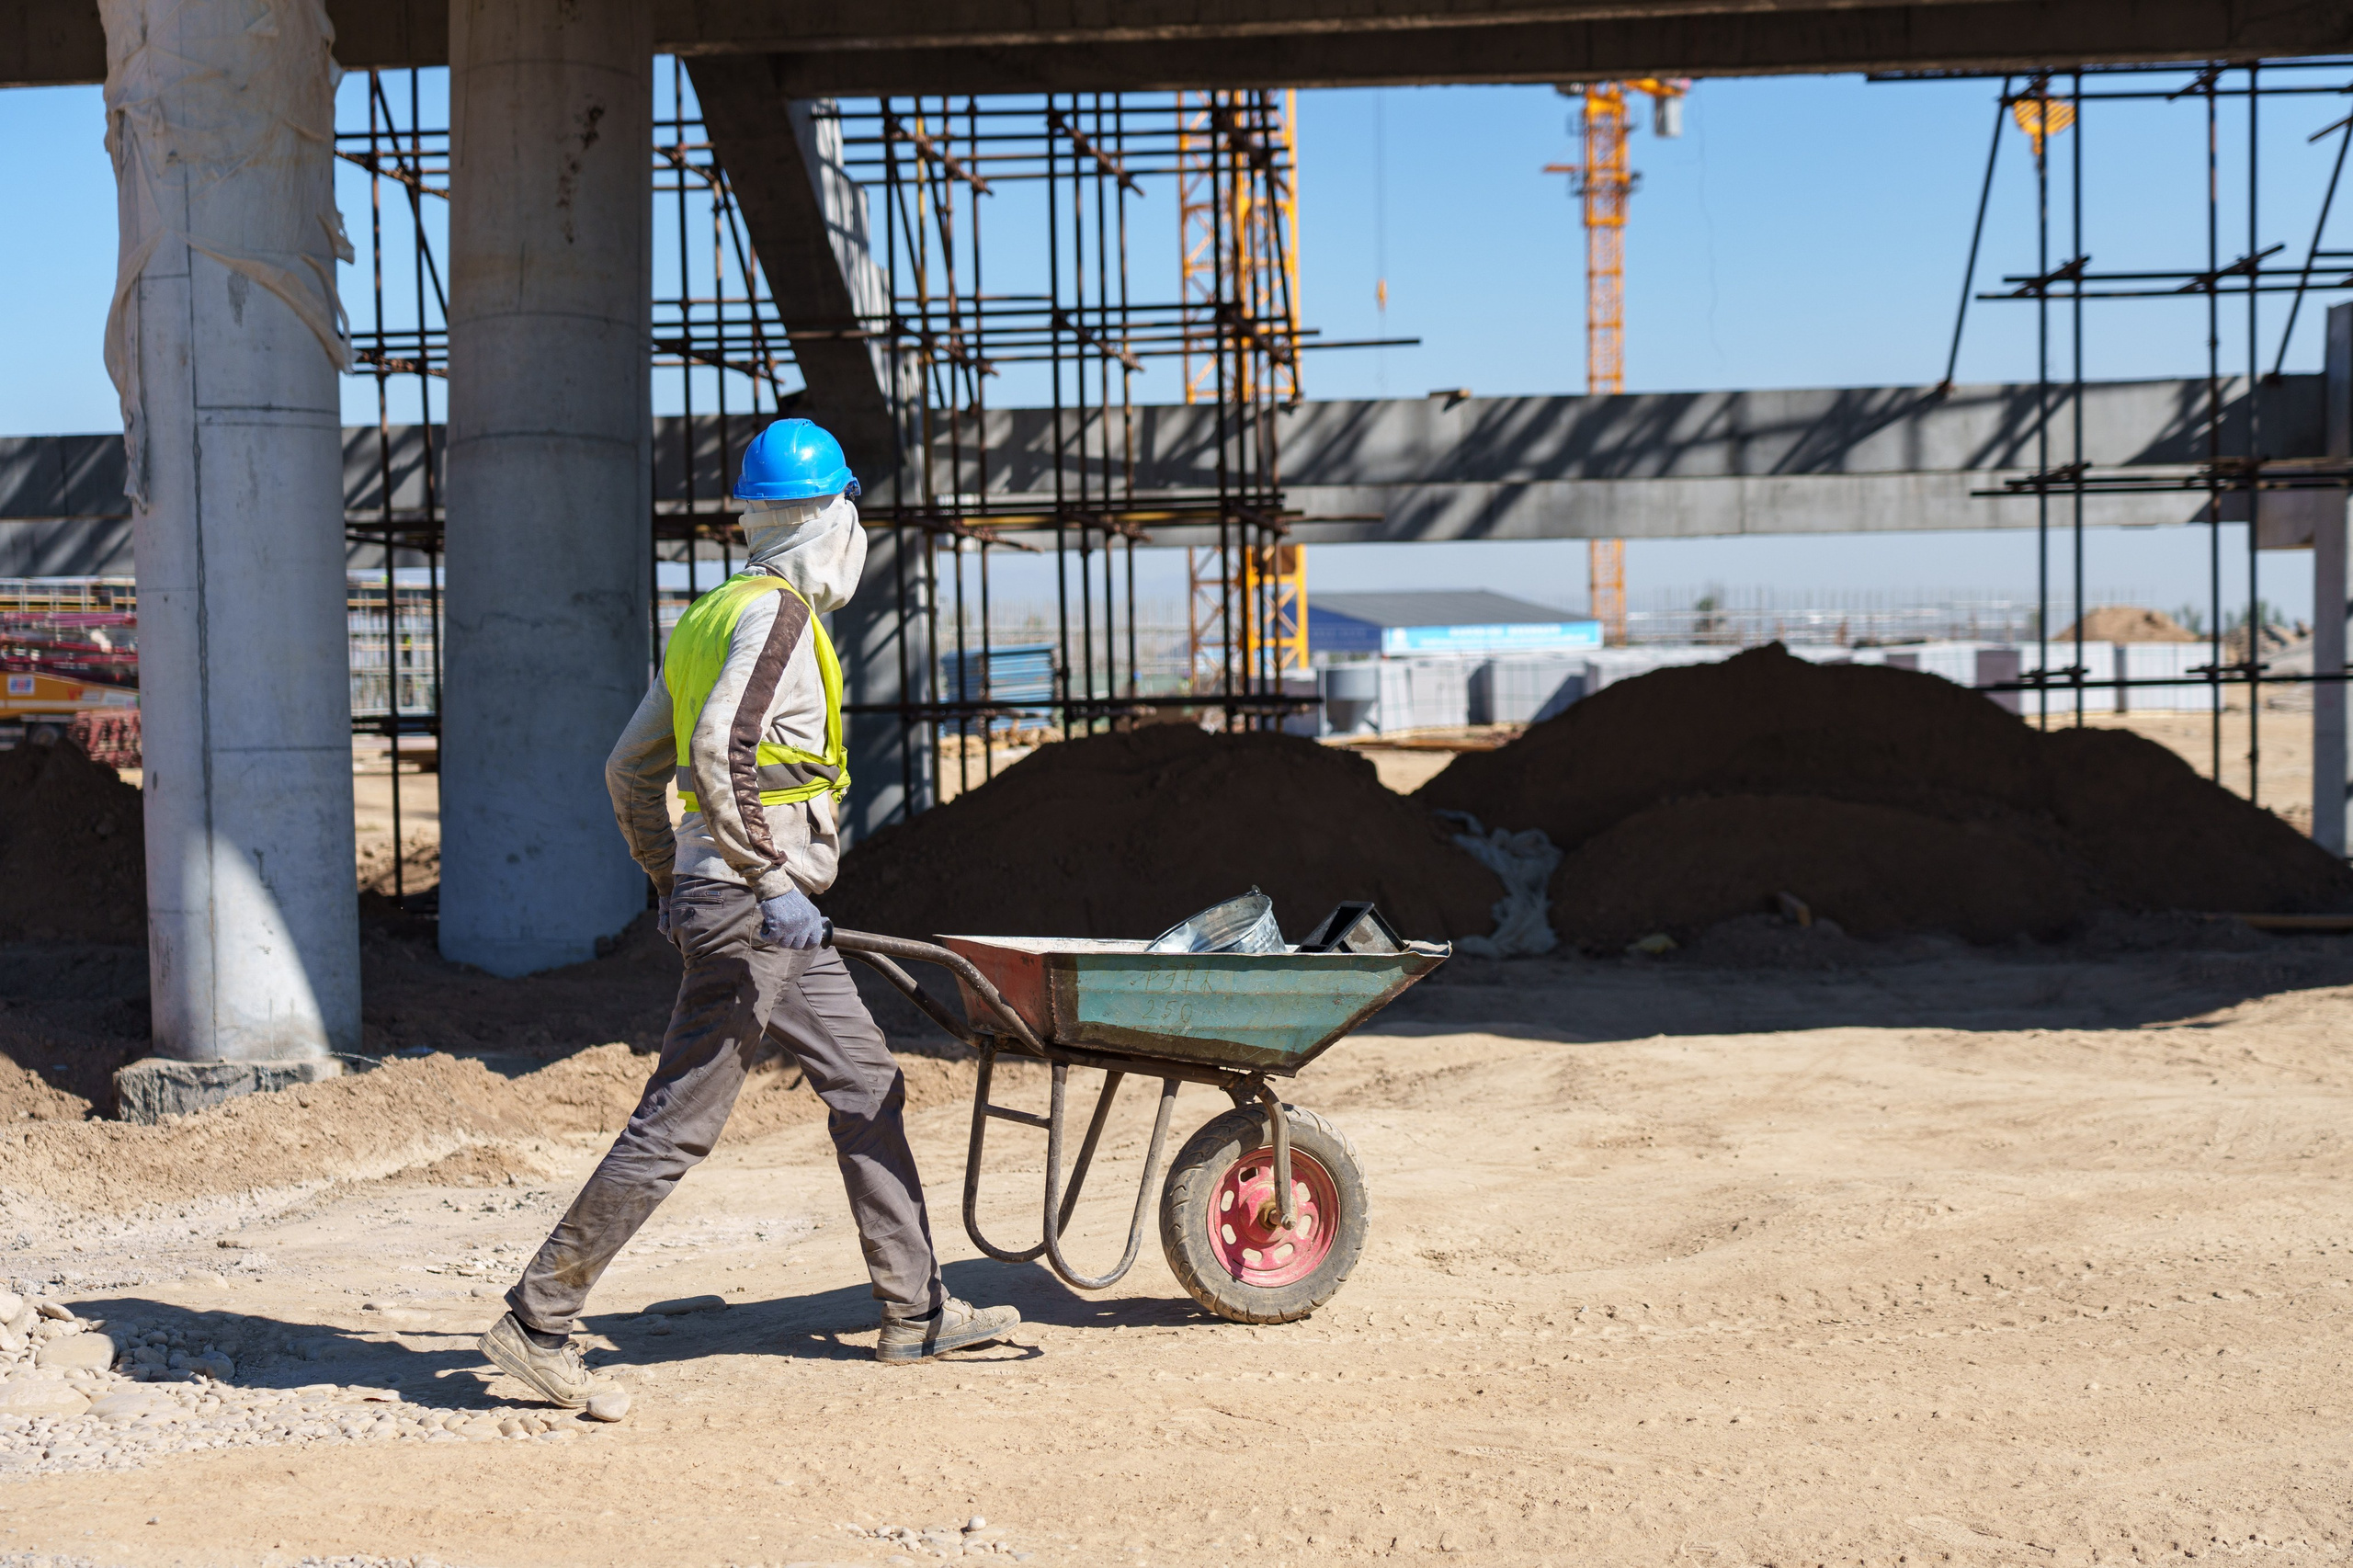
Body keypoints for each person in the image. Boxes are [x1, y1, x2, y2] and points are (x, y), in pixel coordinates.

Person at [478, 418, 1018, 1405]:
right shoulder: (772, 616)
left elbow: (628, 770)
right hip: (758, 902)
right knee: (680, 1118)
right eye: (850, 511)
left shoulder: (710, 613)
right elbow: (725, 744)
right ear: (829, 516)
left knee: (866, 1079)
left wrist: (670, 876)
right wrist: (760, 879)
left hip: (741, 896)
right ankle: (536, 1318)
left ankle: (916, 1309)